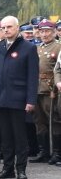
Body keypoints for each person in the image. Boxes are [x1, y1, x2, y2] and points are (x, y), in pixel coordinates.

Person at [0, 16, 38, 179]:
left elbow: (32, 77)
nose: (6, 30)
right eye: (3, 27)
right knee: (5, 136)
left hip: (19, 98)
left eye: (9, 27)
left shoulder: (28, 48)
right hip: (0, 98)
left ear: (17, 28)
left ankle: (21, 169)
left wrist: (31, 100)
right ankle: (7, 168)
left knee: (19, 136)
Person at [30, 20, 61, 163]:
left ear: (54, 31)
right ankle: (43, 151)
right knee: (39, 121)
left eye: (47, 31)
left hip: (51, 89)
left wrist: (55, 86)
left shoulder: (58, 47)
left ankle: (56, 152)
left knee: (54, 120)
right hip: (37, 88)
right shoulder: (37, 48)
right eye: (42, 31)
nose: (44, 34)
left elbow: (58, 70)